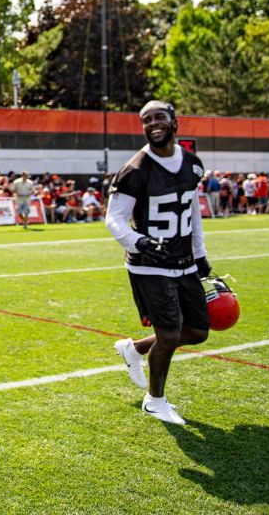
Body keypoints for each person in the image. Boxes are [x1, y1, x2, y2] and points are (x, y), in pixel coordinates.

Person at [106, 100, 212, 426]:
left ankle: (134, 348)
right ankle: (155, 400)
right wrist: (138, 241)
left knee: (196, 331)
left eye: (159, 117)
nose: (153, 123)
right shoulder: (134, 170)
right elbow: (114, 219)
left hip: (183, 260)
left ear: (174, 122)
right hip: (149, 264)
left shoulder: (192, 164)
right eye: (146, 119)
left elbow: (192, 212)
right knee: (168, 334)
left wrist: (201, 253)